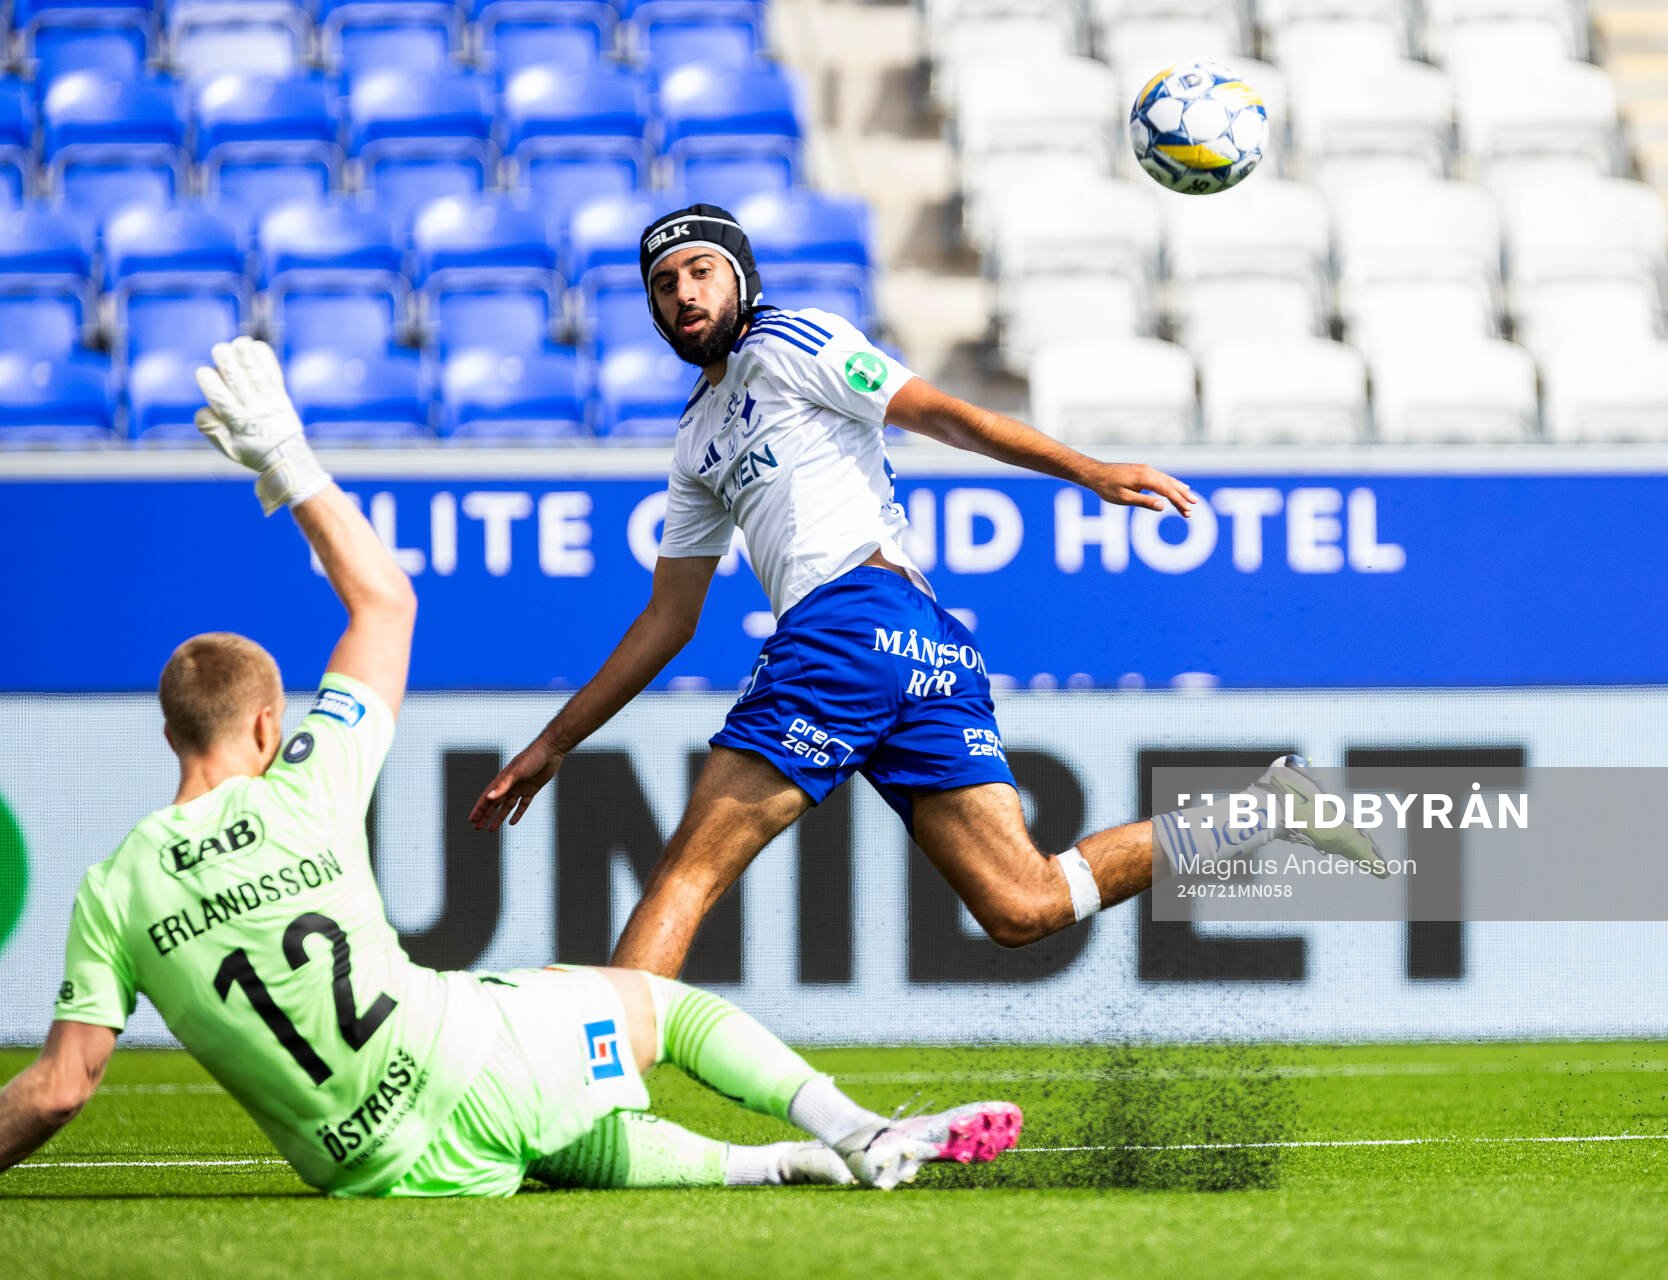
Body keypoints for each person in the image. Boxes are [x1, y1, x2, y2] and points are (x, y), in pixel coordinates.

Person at [0, 339, 1020, 1196]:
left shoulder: (116, 886)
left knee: (555, 1132)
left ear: (171, 731)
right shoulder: (304, 787)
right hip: (463, 1061)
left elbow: (58, 1086)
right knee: (654, 1002)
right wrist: (286, 457)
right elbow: (386, 603)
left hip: (373, 1167)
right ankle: (852, 1127)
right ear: (268, 723)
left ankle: (783, 1164)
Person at [470, 203, 1381, 979]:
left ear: (739, 275)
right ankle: (1266, 812)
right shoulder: (695, 436)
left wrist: (1088, 471)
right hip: (919, 641)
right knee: (1023, 904)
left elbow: (948, 415)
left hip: (848, 624)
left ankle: (593, 1096)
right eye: (664, 285)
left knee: (687, 876)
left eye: (701, 270)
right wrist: (555, 743)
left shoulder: (797, 339)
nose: (685, 294)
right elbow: (669, 620)